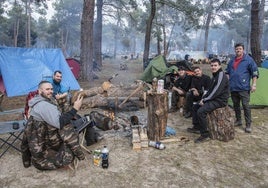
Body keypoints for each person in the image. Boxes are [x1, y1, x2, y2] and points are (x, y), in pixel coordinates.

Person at [20, 81, 96, 170]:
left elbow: (24, 143)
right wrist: (75, 108)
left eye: (51, 89)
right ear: (40, 91)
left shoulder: (39, 99)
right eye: (47, 89)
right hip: (50, 140)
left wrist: (61, 100)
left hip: (45, 135)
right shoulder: (44, 106)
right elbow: (60, 123)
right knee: (71, 131)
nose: (51, 91)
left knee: (81, 120)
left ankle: (92, 136)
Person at [188, 59, 229, 143]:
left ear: (220, 66)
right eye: (212, 65)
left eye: (215, 65)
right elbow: (210, 90)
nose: (213, 67)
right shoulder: (215, 75)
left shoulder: (221, 75)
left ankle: (204, 134)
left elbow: (216, 91)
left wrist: (206, 100)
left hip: (220, 101)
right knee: (195, 106)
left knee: (201, 111)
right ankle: (197, 127)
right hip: (214, 98)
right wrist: (203, 98)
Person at [225, 43, 259, 133]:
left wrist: (254, 84)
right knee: (236, 105)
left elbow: (255, 72)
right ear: (235, 50)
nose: (238, 50)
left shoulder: (248, 60)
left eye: (240, 49)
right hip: (233, 87)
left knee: (245, 106)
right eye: (236, 49)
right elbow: (227, 72)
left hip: (244, 88)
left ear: (243, 50)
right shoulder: (232, 61)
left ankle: (248, 124)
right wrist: (228, 82)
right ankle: (239, 120)